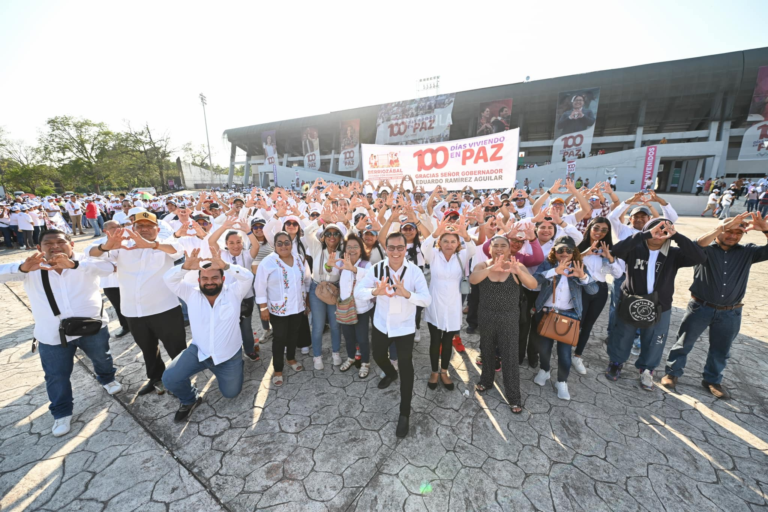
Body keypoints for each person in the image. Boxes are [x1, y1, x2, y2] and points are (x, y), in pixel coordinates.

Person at [0, 230, 122, 437]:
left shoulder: (84, 261)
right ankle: (61, 412)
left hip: (91, 327)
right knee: (56, 376)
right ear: (39, 248)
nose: (55, 246)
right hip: (52, 334)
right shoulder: (31, 266)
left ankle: (107, 378)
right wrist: (21, 267)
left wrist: (74, 265)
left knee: (102, 357)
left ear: (71, 245)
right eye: (48, 243)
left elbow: (109, 267)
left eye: (60, 242)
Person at [662, 213, 768, 398]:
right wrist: (721, 226)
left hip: (730, 312)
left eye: (738, 232)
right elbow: (694, 245)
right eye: (729, 231)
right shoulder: (705, 250)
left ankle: (712, 380)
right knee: (684, 343)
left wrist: (765, 229)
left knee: (721, 349)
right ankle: (672, 373)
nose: (733, 236)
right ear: (719, 231)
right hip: (700, 307)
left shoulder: (748, 252)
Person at [89, 211, 188, 396]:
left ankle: (181, 380)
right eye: (140, 226)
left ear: (157, 229)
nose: (144, 230)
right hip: (133, 311)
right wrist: (106, 246)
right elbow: (92, 254)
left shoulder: (165, 245)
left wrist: (153, 245)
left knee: (176, 349)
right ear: (132, 228)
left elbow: (178, 251)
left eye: (149, 226)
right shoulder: (122, 247)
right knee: (148, 349)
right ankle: (155, 378)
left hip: (164, 308)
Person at [605, 219, 706, 390]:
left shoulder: (673, 254)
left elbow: (700, 257)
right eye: (655, 229)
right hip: (631, 301)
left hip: (660, 306)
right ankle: (616, 363)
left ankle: (647, 369)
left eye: (665, 230)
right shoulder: (634, 248)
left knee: (655, 339)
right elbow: (615, 250)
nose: (659, 233)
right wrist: (644, 235)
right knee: (623, 334)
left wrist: (677, 236)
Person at [161, 247, 253, 421]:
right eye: (205, 278)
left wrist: (225, 265)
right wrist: (185, 267)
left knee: (231, 393)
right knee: (170, 379)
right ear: (199, 280)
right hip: (199, 352)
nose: (209, 282)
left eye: (214, 278)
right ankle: (190, 399)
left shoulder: (234, 292)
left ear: (223, 279)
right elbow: (168, 279)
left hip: (228, 356)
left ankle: (234, 368)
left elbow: (247, 276)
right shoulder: (190, 293)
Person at [355, 232, 431, 438]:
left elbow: (426, 300)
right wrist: (374, 292)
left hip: (405, 327)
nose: (396, 252)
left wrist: (408, 294)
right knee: (378, 356)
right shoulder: (376, 268)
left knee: (407, 366)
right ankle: (390, 372)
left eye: (400, 247)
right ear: (386, 248)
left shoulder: (414, 272)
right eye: (391, 248)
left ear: (406, 248)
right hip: (381, 324)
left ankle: (404, 413)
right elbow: (358, 292)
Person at [471, 236, 537, 412]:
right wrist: (493, 267)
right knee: (487, 350)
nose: (499, 249)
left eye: (503, 246)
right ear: (490, 249)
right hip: (486, 316)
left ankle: (514, 396)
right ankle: (486, 380)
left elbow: (533, 284)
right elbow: (473, 279)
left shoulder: (516, 267)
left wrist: (519, 272)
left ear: (509, 250)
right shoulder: (483, 265)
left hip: (508, 318)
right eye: (496, 246)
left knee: (510, 356)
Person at [532, 236, 598, 400]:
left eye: (568, 250)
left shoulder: (579, 266)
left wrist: (582, 276)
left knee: (564, 353)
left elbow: (593, 290)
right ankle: (545, 370)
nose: (564, 253)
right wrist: (554, 271)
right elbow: (534, 280)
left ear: (573, 252)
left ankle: (562, 381)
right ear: (555, 251)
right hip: (547, 312)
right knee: (544, 348)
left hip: (569, 315)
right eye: (560, 249)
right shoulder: (548, 263)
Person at [422, 219, 476, 391]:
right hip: (435, 304)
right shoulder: (434, 255)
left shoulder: (462, 255)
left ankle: (444, 371)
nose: (449, 244)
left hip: (453, 306)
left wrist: (465, 234)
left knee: (447, 342)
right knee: (434, 340)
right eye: (445, 241)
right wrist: (436, 232)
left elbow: (473, 248)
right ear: (440, 242)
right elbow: (425, 247)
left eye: (453, 241)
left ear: (458, 243)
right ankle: (434, 372)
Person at [255, 232, 310, 386]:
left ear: (291, 244)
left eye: (287, 242)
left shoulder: (299, 258)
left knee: (293, 334)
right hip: (278, 309)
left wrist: (306, 302)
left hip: (297, 306)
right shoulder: (268, 263)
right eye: (280, 243)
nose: (284, 246)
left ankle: (290, 357)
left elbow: (306, 280)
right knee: (279, 338)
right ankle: (278, 368)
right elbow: (260, 287)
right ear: (274, 245)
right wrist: (263, 308)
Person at [573, 218, 622, 374]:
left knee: (588, 325)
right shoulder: (579, 246)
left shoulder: (609, 249)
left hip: (600, 290)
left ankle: (577, 355)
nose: (599, 232)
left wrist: (610, 257)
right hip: (580, 288)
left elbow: (619, 273)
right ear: (589, 228)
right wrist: (585, 253)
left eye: (604, 230)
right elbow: (568, 263)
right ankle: (565, 352)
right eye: (596, 228)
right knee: (575, 324)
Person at [304, 215, 345, 369]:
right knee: (318, 325)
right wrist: (320, 221)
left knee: (335, 324)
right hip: (317, 288)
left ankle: (335, 352)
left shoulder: (343, 251)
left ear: (340, 237)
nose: (332, 237)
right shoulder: (316, 248)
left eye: (336, 233)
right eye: (328, 234)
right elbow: (307, 232)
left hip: (334, 289)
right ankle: (317, 356)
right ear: (323, 237)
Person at [336, 234, 372, 378]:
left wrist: (354, 269)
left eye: (355, 246)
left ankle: (365, 362)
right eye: (349, 246)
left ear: (361, 249)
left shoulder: (365, 264)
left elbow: (370, 276)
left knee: (362, 337)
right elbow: (329, 271)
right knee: (348, 337)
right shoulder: (341, 263)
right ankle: (351, 357)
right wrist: (329, 266)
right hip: (345, 308)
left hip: (361, 309)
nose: (352, 249)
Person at [86, 220, 130, 338]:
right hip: (110, 282)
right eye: (113, 227)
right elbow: (91, 255)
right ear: (105, 231)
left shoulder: (129, 239)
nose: (117, 228)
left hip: (129, 279)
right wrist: (110, 264)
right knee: (118, 305)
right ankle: (126, 326)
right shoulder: (99, 243)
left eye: (119, 226)